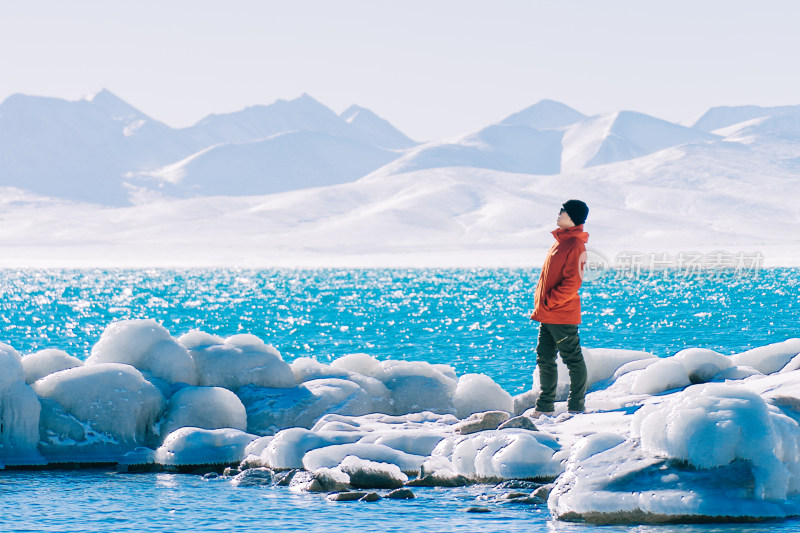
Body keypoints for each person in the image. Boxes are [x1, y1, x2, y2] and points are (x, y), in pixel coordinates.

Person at [530, 199, 589, 417]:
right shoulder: (561, 241)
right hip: (549, 313)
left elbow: (573, 283)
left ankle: (576, 406)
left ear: (572, 216)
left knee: (572, 359)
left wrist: (549, 302)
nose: (559, 213)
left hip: (561, 314)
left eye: (563, 211)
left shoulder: (575, 244)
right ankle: (544, 406)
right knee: (544, 358)